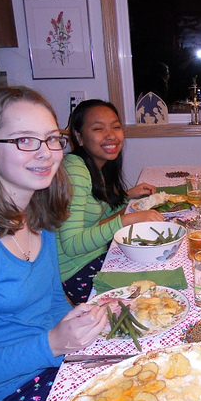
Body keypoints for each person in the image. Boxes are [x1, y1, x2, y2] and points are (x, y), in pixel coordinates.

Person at [0, 87, 108, 401]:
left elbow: (52, 300)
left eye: (52, 138)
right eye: (25, 140)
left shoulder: (38, 213)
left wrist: (82, 321)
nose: (46, 153)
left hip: (50, 364)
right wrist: (52, 344)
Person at [57, 99, 164, 304]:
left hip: (96, 256)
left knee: (159, 261)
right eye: (98, 129)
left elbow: (97, 218)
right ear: (78, 137)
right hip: (77, 273)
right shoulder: (75, 169)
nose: (111, 135)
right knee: (158, 289)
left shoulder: (97, 166)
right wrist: (128, 220)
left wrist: (126, 196)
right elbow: (71, 245)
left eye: (116, 127)